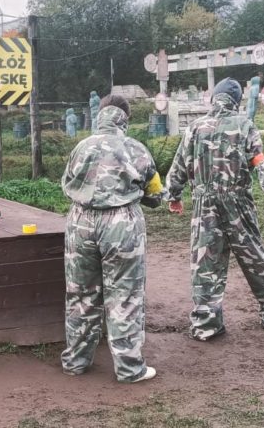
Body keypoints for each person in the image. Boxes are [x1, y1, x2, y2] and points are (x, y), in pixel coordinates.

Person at [165, 78, 264, 342]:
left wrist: (174, 195)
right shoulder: (245, 126)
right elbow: (261, 165)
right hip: (238, 204)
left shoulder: (194, 128)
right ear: (236, 101)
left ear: (213, 98)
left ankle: (206, 325)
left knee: (205, 264)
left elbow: (179, 164)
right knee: (254, 256)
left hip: (204, 206)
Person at [61, 94, 162, 383]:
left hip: (80, 222)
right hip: (121, 224)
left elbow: (67, 182)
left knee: (81, 293)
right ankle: (129, 368)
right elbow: (155, 193)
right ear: (124, 119)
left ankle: (76, 361)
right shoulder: (136, 148)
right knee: (124, 296)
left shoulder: (81, 147)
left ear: (100, 115)